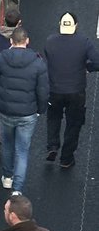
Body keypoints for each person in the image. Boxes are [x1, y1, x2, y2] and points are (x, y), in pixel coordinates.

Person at [0, 26, 48, 192]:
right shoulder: (38, 62)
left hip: (7, 111)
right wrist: (40, 109)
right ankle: (17, 189)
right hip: (28, 114)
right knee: (22, 150)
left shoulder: (3, 57)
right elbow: (43, 90)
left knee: (8, 144)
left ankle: (7, 177)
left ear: (11, 41)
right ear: (27, 41)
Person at [43, 11, 99, 168]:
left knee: (53, 118)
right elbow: (97, 61)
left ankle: (52, 146)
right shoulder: (84, 42)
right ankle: (66, 158)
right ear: (76, 26)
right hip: (76, 92)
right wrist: (87, 67)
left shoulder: (50, 41)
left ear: (60, 25)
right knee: (74, 124)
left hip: (54, 90)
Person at [0, 7, 22, 160]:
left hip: (0, 82)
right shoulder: (20, 39)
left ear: (4, 21)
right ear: (19, 23)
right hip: (16, 83)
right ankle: (12, 145)